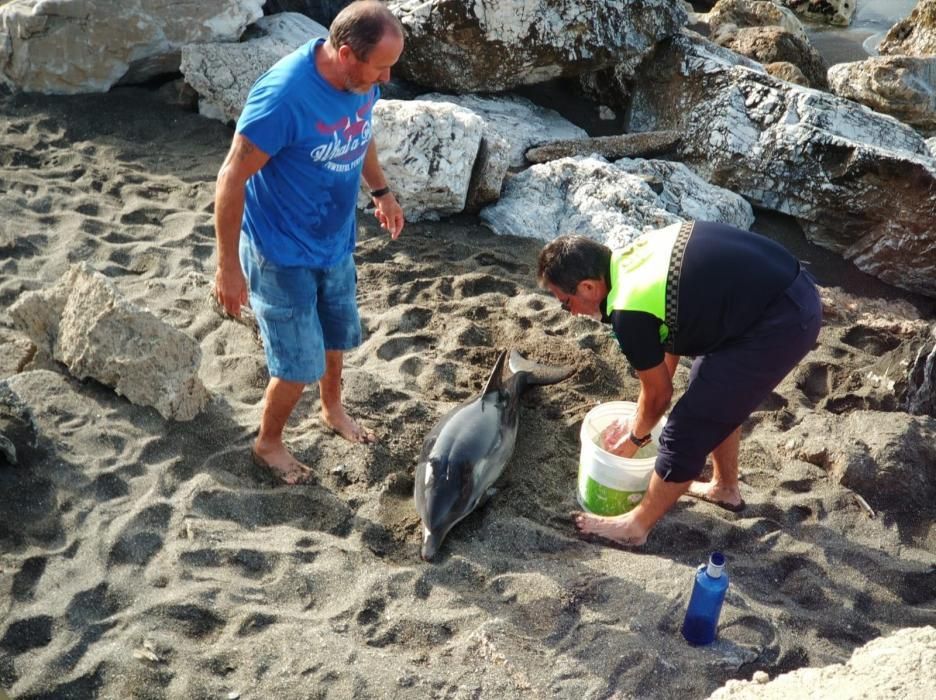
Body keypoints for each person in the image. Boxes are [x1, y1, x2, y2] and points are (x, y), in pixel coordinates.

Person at [213, 1, 405, 484]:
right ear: (345, 53)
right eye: (380, 67)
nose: (385, 78)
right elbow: (231, 178)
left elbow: (360, 134)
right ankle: (268, 443)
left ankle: (331, 407)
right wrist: (228, 268)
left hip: (333, 239)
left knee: (336, 335)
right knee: (298, 364)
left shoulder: (358, 82)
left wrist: (381, 192)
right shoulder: (283, 98)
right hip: (280, 252)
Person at [537, 220, 822, 546]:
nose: (570, 313)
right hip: (785, 291)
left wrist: (635, 436)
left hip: (781, 320)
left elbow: (660, 396)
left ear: (588, 287)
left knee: (686, 426)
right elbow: (667, 345)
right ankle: (725, 488)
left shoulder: (628, 311)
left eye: (564, 302)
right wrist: (641, 417)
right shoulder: (634, 258)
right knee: (713, 393)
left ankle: (635, 527)